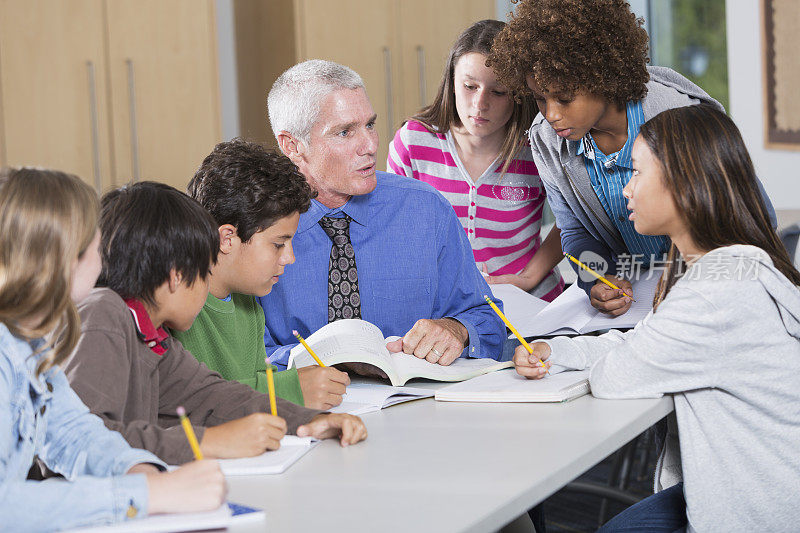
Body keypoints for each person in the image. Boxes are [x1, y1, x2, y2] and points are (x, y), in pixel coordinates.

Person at [514, 105, 800, 532]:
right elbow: (644, 342)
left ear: (683, 185)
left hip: (758, 509)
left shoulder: (717, 293)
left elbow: (618, 374)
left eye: (636, 173)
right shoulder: (725, 267)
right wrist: (554, 349)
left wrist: (599, 356)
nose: (625, 191)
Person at [488, 0, 776, 316]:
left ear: (603, 77)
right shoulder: (547, 140)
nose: (551, 114)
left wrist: (696, 283)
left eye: (565, 98)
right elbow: (575, 230)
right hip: (638, 302)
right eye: (540, 99)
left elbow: (752, 214)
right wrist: (595, 279)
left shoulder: (676, 116)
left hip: (712, 290)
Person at [63, 181, 366, 466]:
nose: (207, 287)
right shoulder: (103, 314)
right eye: (206, 272)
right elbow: (78, 440)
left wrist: (308, 420)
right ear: (176, 276)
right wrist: (207, 441)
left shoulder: (153, 337)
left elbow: (213, 395)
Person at [0, 168, 225, 529]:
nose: (104, 251)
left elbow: (75, 433)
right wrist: (146, 496)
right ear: (64, 256)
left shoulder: (32, 342)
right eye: (95, 240)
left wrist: (138, 471)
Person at [260, 59, 506, 369]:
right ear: (293, 146)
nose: (370, 145)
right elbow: (239, 355)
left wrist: (456, 331)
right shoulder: (256, 228)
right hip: (304, 409)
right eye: (345, 132)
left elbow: (489, 320)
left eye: (370, 125)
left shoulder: (426, 210)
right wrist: (316, 362)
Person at [388, 19, 563, 302]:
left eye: (498, 92)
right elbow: (396, 233)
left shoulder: (538, 147)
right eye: (470, 86)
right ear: (452, 83)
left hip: (530, 302)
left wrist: (527, 278)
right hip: (445, 306)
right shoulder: (413, 143)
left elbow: (572, 220)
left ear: (519, 95)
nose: (480, 104)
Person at [174, 139, 350, 410]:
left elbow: (249, 391)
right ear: (227, 239)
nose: (289, 258)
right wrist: (289, 389)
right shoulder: (175, 307)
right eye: (278, 244)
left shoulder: (249, 305)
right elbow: (188, 402)